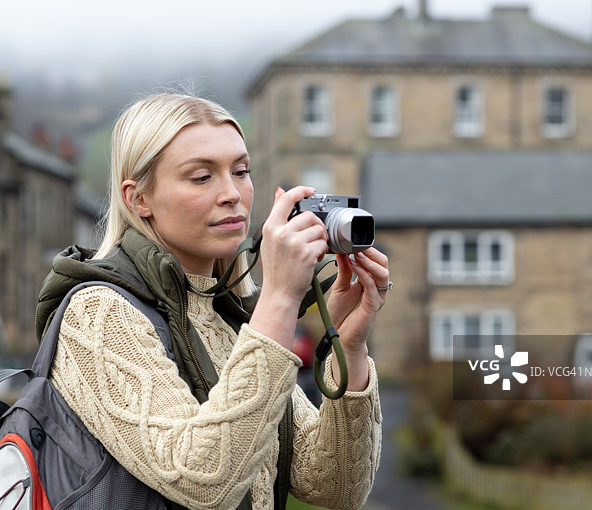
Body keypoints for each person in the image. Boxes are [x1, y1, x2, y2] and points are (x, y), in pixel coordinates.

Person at [36, 93, 390, 510]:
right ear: (139, 199)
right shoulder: (98, 312)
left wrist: (349, 347)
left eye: (241, 171)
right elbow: (201, 480)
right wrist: (279, 298)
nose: (232, 193)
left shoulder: (230, 312)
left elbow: (333, 486)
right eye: (201, 177)